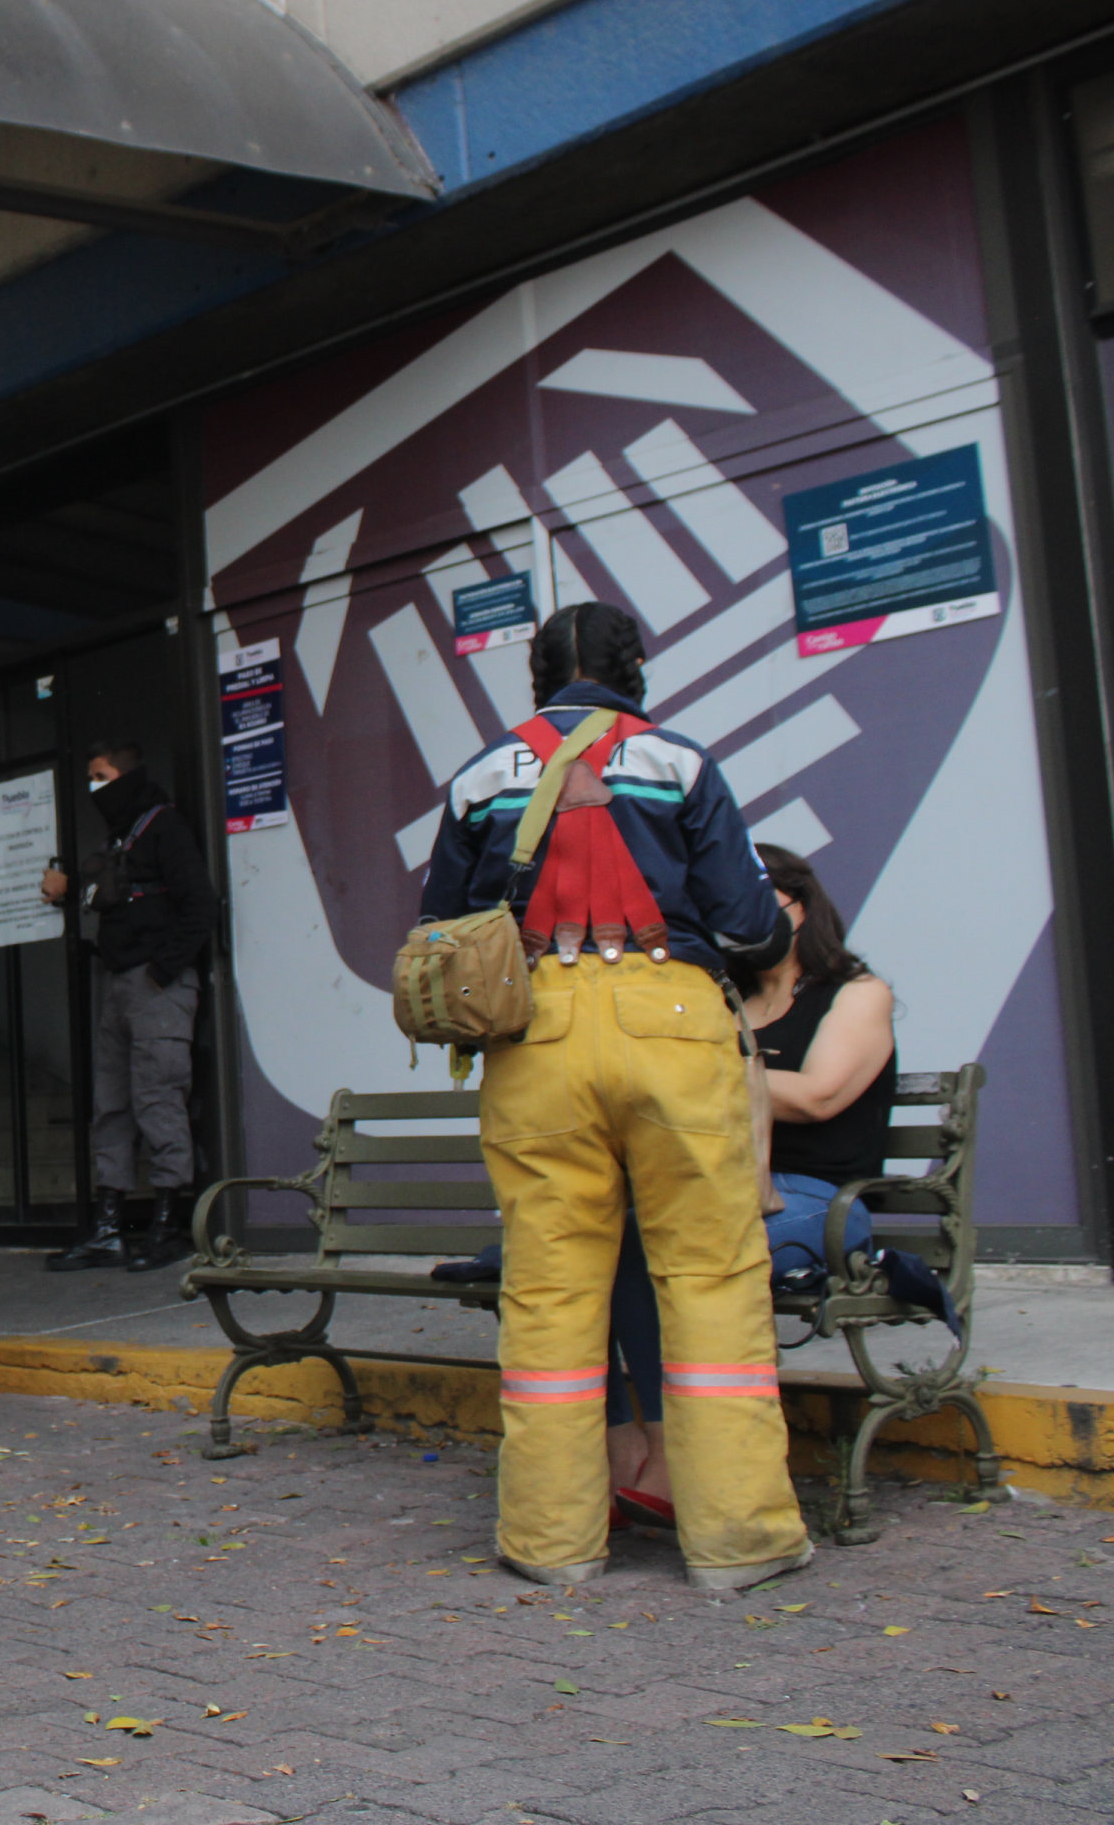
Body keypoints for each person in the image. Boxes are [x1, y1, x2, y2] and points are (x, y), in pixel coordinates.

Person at [420, 600, 810, 1591]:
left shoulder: (478, 775)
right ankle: (740, 1542)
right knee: (714, 1279)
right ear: (636, 667)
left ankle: (552, 1543)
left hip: (536, 1039)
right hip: (671, 1022)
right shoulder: (682, 762)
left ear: (538, 680)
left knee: (549, 1292)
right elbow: (752, 919)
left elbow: (442, 929)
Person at [600, 842, 895, 1525]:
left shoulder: (857, 994)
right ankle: (626, 1445)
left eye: (757, 908)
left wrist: (687, 1069)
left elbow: (820, 1095)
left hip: (817, 1204)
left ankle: (677, 1454)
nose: (740, 925)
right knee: (595, 1249)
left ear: (802, 906)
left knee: (654, 1252)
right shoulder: (715, 997)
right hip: (715, 1194)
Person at [42, 742, 216, 1271]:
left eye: (100, 776)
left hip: (155, 985)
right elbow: (117, 895)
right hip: (118, 983)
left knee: (159, 1098)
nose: (93, 786)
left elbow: (200, 905)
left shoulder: (164, 827)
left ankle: (169, 1223)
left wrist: (164, 971)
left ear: (126, 775)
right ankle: (109, 1227)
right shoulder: (119, 834)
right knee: (112, 1105)